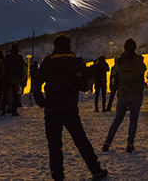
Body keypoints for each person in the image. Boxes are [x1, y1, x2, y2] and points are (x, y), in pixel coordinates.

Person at [32, 35, 108, 181]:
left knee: (54, 145)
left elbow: (36, 84)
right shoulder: (76, 63)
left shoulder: (48, 63)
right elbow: (84, 85)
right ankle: (95, 169)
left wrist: (42, 101)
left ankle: (58, 176)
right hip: (70, 109)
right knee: (81, 141)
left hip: (52, 109)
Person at [102, 38, 147, 153]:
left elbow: (117, 70)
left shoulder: (119, 61)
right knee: (133, 120)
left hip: (123, 94)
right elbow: (143, 70)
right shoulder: (138, 60)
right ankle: (130, 144)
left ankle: (107, 142)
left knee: (118, 119)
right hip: (136, 93)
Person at [2, 43, 26, 116]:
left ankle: (3, 111)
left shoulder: (7, 57)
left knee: (5, 94)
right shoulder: (19, 57)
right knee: (15, 95)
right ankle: (14, 111)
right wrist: (20, 78)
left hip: (7, 77)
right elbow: (21, 69)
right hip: (15, 78)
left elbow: (4, 67)